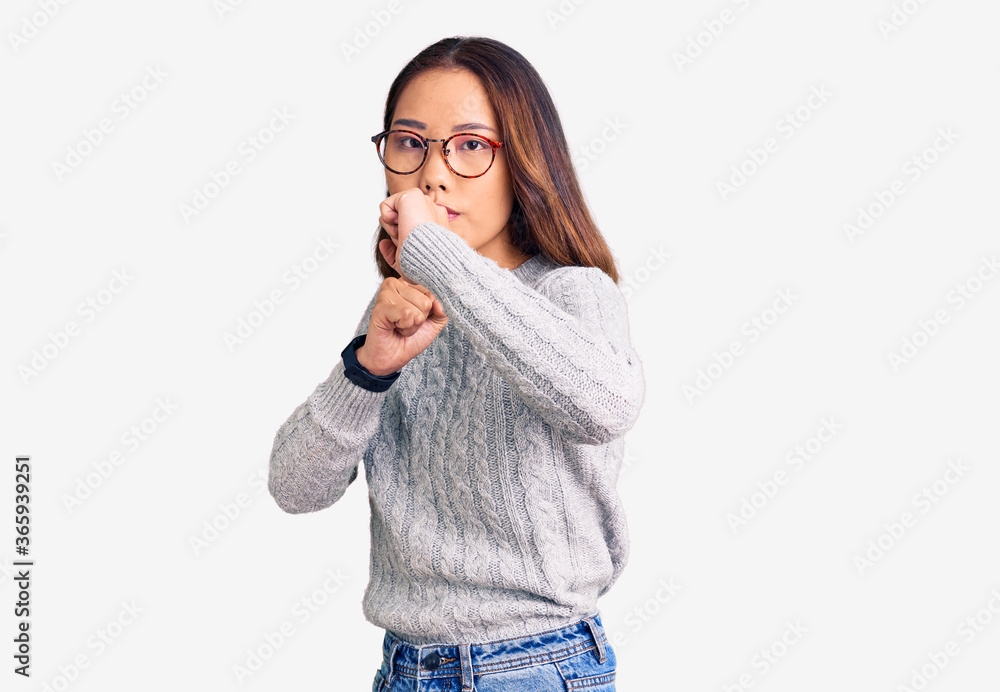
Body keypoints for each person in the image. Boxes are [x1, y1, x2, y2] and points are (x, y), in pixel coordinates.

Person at [267, 35, 645, 692]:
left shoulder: (570, 292)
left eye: (470, 145)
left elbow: (606, 407)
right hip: (407, 668)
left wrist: (436, 256)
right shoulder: (398, 312)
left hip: (535, 664)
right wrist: (369, 367)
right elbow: (295, 489)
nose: (432, 175)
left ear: (524, 160)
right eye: (410, 142)